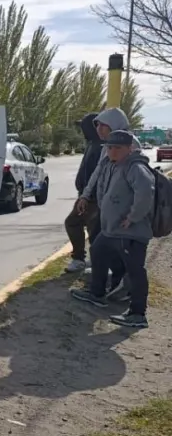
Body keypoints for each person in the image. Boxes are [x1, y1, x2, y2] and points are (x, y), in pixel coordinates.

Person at [70, 130, 154, 329]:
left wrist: (132, 217)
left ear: (129, 148)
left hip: (130, 232)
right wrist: (85, 197)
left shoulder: (135, 166)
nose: (113, 151)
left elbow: (146, 193)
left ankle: (137, 314)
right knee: (97, 252)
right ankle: (97, 294)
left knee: (135, 271)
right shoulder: (111, 164)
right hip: (112, 229)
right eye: (110, 147)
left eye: (118, 148)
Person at [64, 113, 104, 272]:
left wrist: (87, 196)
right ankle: (88, 260)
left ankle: (86, 260)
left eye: (84, 127)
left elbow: (95, 174)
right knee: (88, 227)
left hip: (91, 198)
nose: (82, 131)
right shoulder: (92, 143)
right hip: (86, 195)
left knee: (79, 225)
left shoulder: (100, 147)